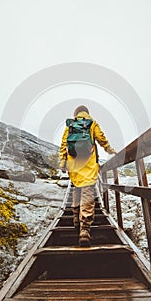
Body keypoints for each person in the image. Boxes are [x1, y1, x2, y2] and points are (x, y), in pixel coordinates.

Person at [59, 105, 116, 247]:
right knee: (88, 194)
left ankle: (75, 218)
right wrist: (109, 150)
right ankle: (84, 229)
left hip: (74, 166)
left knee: (77, 189)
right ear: (87, 113)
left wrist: (63, 162)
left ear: (76, 113)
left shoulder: (70, 125)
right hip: (89, 166)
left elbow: (63, 144)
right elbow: (101, 138)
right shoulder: (91, 123)